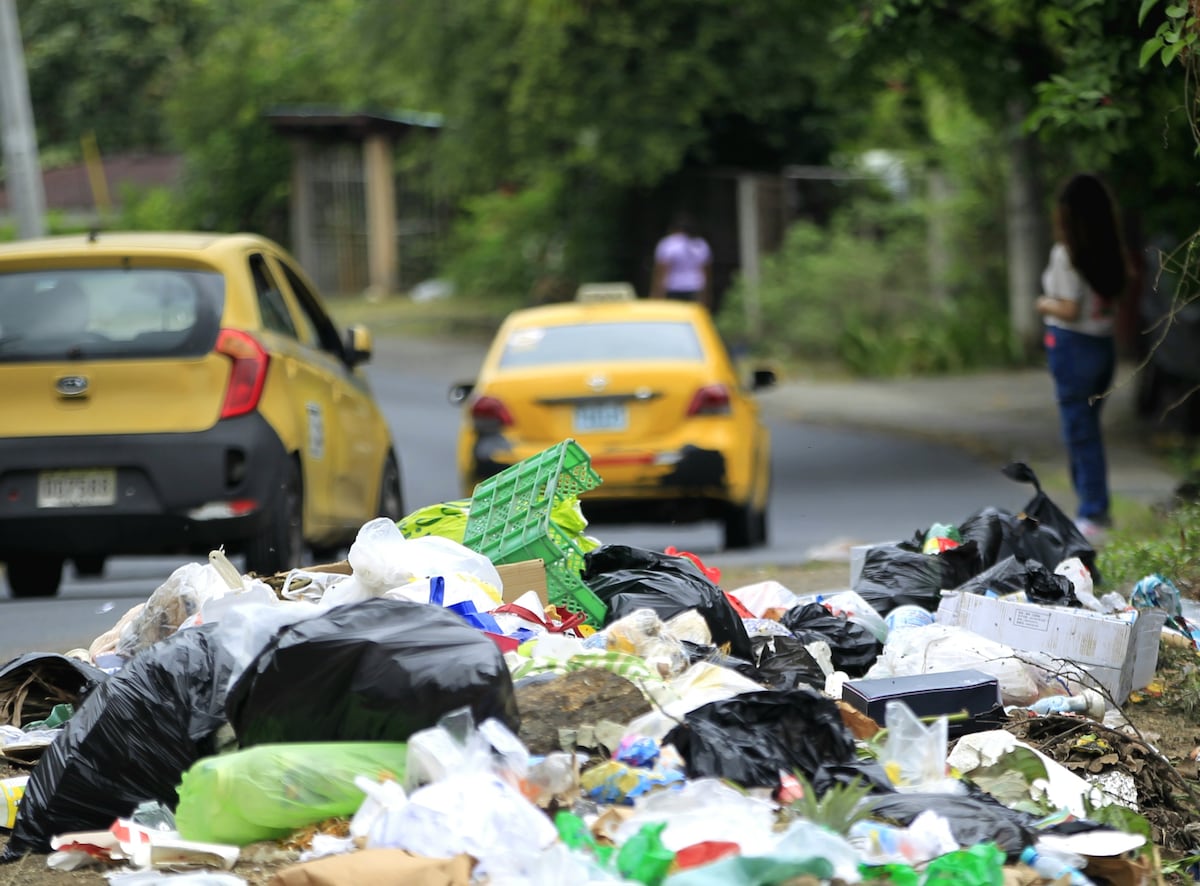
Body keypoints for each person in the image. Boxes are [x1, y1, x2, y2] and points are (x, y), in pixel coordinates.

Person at [1035, 172, 1131, 542]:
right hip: (1103, 348)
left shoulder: (1066, 254)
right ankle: (1090, 509)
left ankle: (1093, 512)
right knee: (1087, 430)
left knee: (1080, 433)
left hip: (1072, 346)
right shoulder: (1112, 253)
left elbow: (1070, 309)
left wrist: (1042, 303)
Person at [649, 213, 712, 309]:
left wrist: (656, 294)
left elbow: (661, 271)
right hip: (695, 287)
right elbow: (706, 273)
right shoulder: (701, 244)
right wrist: (706, 296)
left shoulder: (668, 244)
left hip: (673, 287)